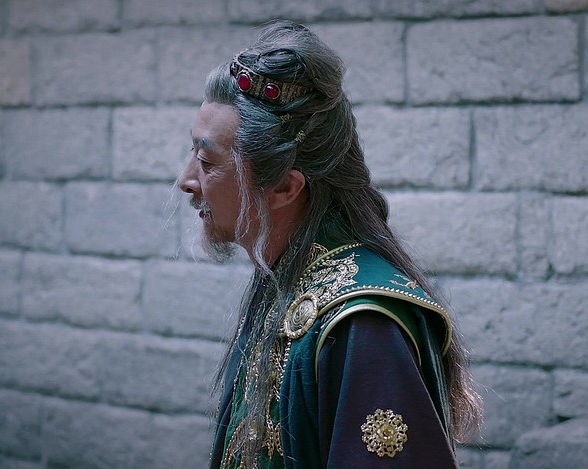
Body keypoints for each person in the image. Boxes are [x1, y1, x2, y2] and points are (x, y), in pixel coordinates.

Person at [178, 20, 480, 468]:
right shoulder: (286, 277)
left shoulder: (362, 324)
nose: (186, 180)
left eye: (206, 161)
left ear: (284, 187)